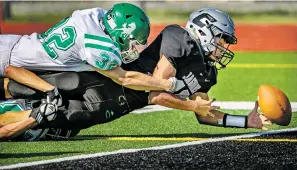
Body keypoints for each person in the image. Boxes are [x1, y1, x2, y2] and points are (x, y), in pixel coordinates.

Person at [0, 8, 271, 141]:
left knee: (45, 124)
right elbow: (155, 93)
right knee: (27, 91)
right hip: (103, 83)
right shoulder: (181, 38)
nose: (224, 47)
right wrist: (189, 103)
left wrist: (246, 122)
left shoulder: (206, 72)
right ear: (205, 29)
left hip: (114, 105)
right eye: (223, 39)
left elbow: (203, 113)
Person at [0, 3, 183, 117]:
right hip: (9, 58)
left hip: (15, 43)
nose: (133, 48)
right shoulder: (98, 47)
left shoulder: (95, 16)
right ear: (120, 33)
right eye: (132, 43)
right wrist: (167, 85)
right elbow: (126, 78)